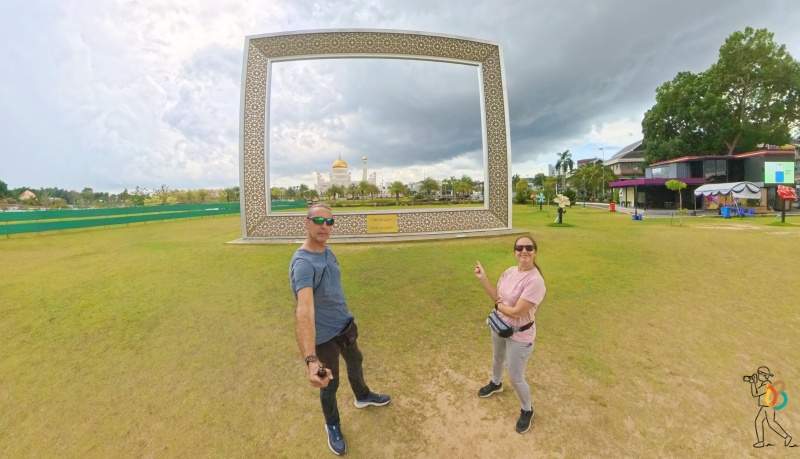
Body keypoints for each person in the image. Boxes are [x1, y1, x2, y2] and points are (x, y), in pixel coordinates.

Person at [290, 203, 391, 456]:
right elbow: (304, 310)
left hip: (344, 325)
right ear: (307, 222)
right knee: (329, 384)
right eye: (319, 221)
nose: (325, 226)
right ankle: (332, 425)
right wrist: (311, 359)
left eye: (330, 222)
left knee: (356, 360)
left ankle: (363, 395)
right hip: (324, 338)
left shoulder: (327, 251)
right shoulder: (303, 263)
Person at [473, 235, 546, 434]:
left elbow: (516, 312)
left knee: (515, 377)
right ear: (515, 252)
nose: (524, 251)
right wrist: (483, 279)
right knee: (497, 359)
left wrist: (498, 306)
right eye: (520, 248)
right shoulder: (509, 272)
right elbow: (497, 298)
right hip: (499, 327)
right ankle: (496, 383)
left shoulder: (535, 281)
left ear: (535, 252)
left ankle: (527, 409)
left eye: (529, 248)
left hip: (520, 336)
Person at [747, 366, 793, 448]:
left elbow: (755, 394)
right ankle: (761, 441)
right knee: (759, 421)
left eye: (759, 374)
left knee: (771, 423)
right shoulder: (765, 383)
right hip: (765, 406)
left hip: (768, 407)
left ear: (764, 376)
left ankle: (787, 437)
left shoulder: (767, 384)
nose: (758, 376)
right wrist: (753, 382)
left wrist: (752, 383)